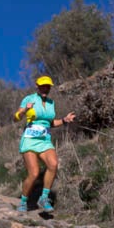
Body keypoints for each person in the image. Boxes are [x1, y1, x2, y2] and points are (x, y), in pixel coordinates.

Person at [14, 75, 75, 213]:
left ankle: (44, 198)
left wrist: (65, 120)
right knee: (34, 173)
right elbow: (16, 117)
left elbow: (51, 122)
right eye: (42, 86)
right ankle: (24, 201)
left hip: (44, 140)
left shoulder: (51, 103)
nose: (45, 89)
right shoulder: (29, 99)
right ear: (37, 86)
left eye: (47, 86)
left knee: (53, 164)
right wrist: (23, 111)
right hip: (30, 139)